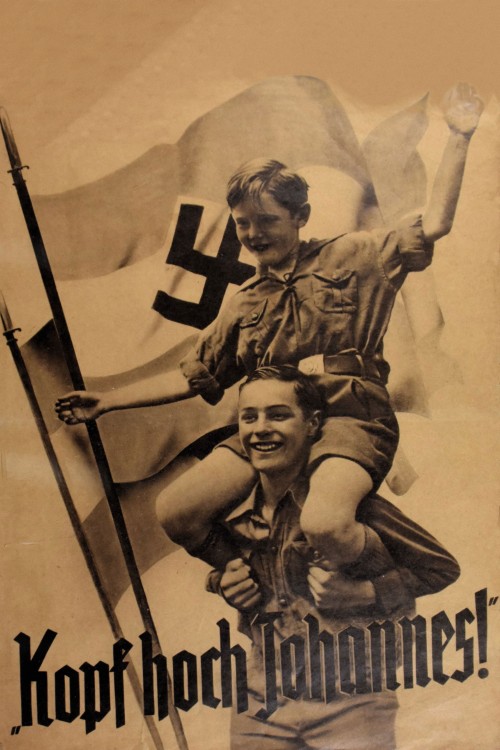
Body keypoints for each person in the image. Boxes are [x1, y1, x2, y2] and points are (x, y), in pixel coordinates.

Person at [55, 83, 483, 572]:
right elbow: (191, 376)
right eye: (242, 223)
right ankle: (257, 584)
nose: (253, 234)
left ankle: (388, 575)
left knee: (325, 523)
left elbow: (435, 224)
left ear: (300, 216)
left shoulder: (355, 254)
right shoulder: (245, 304)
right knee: (177, 511)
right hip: (275, 426)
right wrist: (107, 401)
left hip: (349, 417)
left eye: (266, 220)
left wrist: (460, 136)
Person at [205, 365, 460, 750]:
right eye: (249, 417)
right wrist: (221, 582)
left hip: (350, 702)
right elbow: (231, 570)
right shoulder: (233, 512)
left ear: (312, 425)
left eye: (278, 415)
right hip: (261, 704)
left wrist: (365, 593)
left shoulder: (346, 509)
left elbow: (441, 568)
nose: (260, 429)